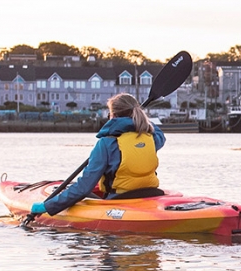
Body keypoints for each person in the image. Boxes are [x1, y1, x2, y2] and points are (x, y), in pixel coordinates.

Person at [31, 93, 166, 218]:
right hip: (150, 194)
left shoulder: (106, 144)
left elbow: (84, 188)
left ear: (112, 115)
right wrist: (138, 117)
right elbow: (157, 132)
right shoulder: (151, 138)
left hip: (119, 200)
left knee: (82, 193)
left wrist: (48, 206)